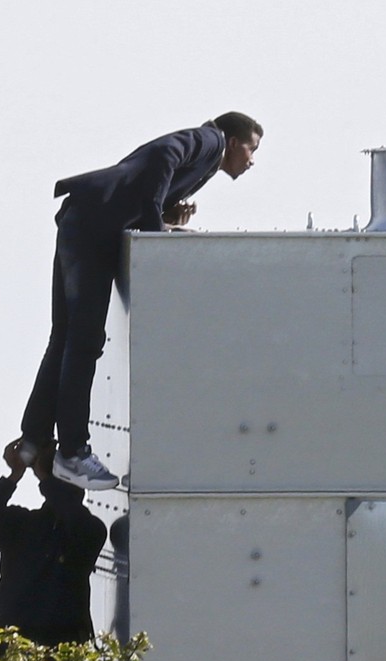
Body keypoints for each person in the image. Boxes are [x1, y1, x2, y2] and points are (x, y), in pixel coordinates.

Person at [19, 112, 264, 490]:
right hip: (93, 228)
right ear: (233, 142)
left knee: (66, 337)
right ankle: (73, 452)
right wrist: (155, 230)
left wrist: (164, 212)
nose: (251, 160)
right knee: (84, 342)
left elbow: (138, 180)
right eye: (251, 149)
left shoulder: (207, 160)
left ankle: (33, 438)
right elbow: (165, 154)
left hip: (83, 218)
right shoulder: (210, 141)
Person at [0, 439, 108, 650]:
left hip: (56, 647)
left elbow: (73, 518)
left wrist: (43, 474)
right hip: (12, 642)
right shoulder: (24, 525)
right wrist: (15, 475)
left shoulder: (90, 531)